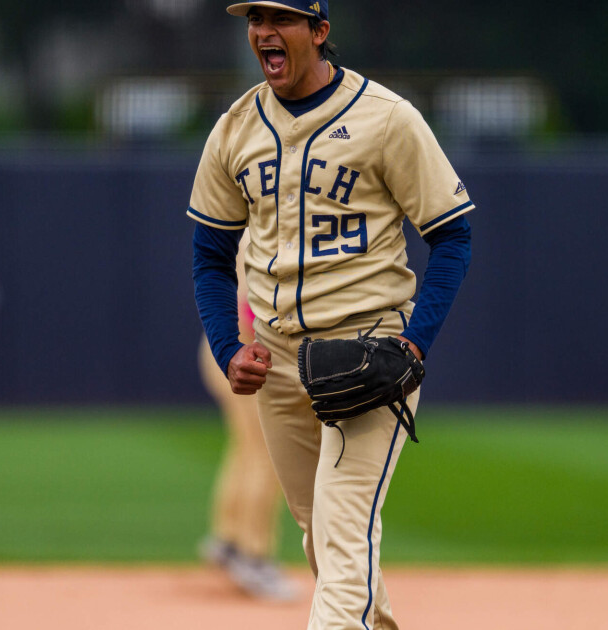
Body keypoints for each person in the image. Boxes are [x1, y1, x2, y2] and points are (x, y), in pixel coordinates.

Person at [189, 1, 473, 627]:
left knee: (343, 536)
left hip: (367, 350)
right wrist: (226, 346)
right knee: (326, 542)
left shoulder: (387, 119)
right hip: (277, 362)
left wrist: (416, 344)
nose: (264, 31)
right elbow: (210, 255)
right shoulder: (235, 129)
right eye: (255, 19)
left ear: (319, 32)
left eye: (281, 19)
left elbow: (452, 234)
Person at [197, 230, 299, 602]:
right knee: (267, 454)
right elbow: (251, 309)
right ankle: (252, 556)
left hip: (224, 351)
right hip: (245, 357)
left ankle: (228, 539)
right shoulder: (266, 233)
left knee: (248, 449)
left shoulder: (251, 230)